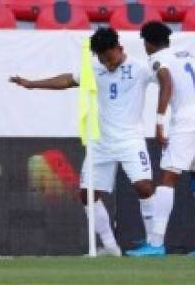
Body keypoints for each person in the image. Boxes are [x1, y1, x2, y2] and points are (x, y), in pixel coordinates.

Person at [9, 27, 161, 257]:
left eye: (110, 58)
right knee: (87, 195)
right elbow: (68, 80)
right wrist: (32, 84)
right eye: (102, 59)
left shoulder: (140, 68)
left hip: (130, 140)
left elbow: (167, 78)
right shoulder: (94, 68)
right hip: (100, 140)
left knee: (144, 187)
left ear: (120, 49)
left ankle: (154, 243)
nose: (107, 64)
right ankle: (111, 248)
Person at [127, 22, 195, 257]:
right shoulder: (191, 58)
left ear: (148, 43)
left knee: (167, 179)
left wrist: (159, 122)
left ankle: (155, 244)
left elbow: (166, 82)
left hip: (186, 124)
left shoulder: (157, 59)